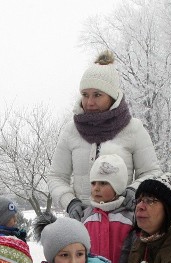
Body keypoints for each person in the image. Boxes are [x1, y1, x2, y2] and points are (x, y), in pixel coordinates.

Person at [48, 50, 161, 220]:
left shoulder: (134, 129)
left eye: (97, 95)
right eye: (85, 95)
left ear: (112, 96)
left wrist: (134, 191)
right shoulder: (70, 130)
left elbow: (151, 172)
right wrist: (70, 202)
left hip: (122, 222)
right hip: (82, 224)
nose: (89, 102)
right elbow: (56, 176)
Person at [81, 153, 134, 263]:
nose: (96, 188)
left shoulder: (129, 217)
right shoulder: (86, 217)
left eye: (103, 183)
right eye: (93, 183)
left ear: (117, 186)